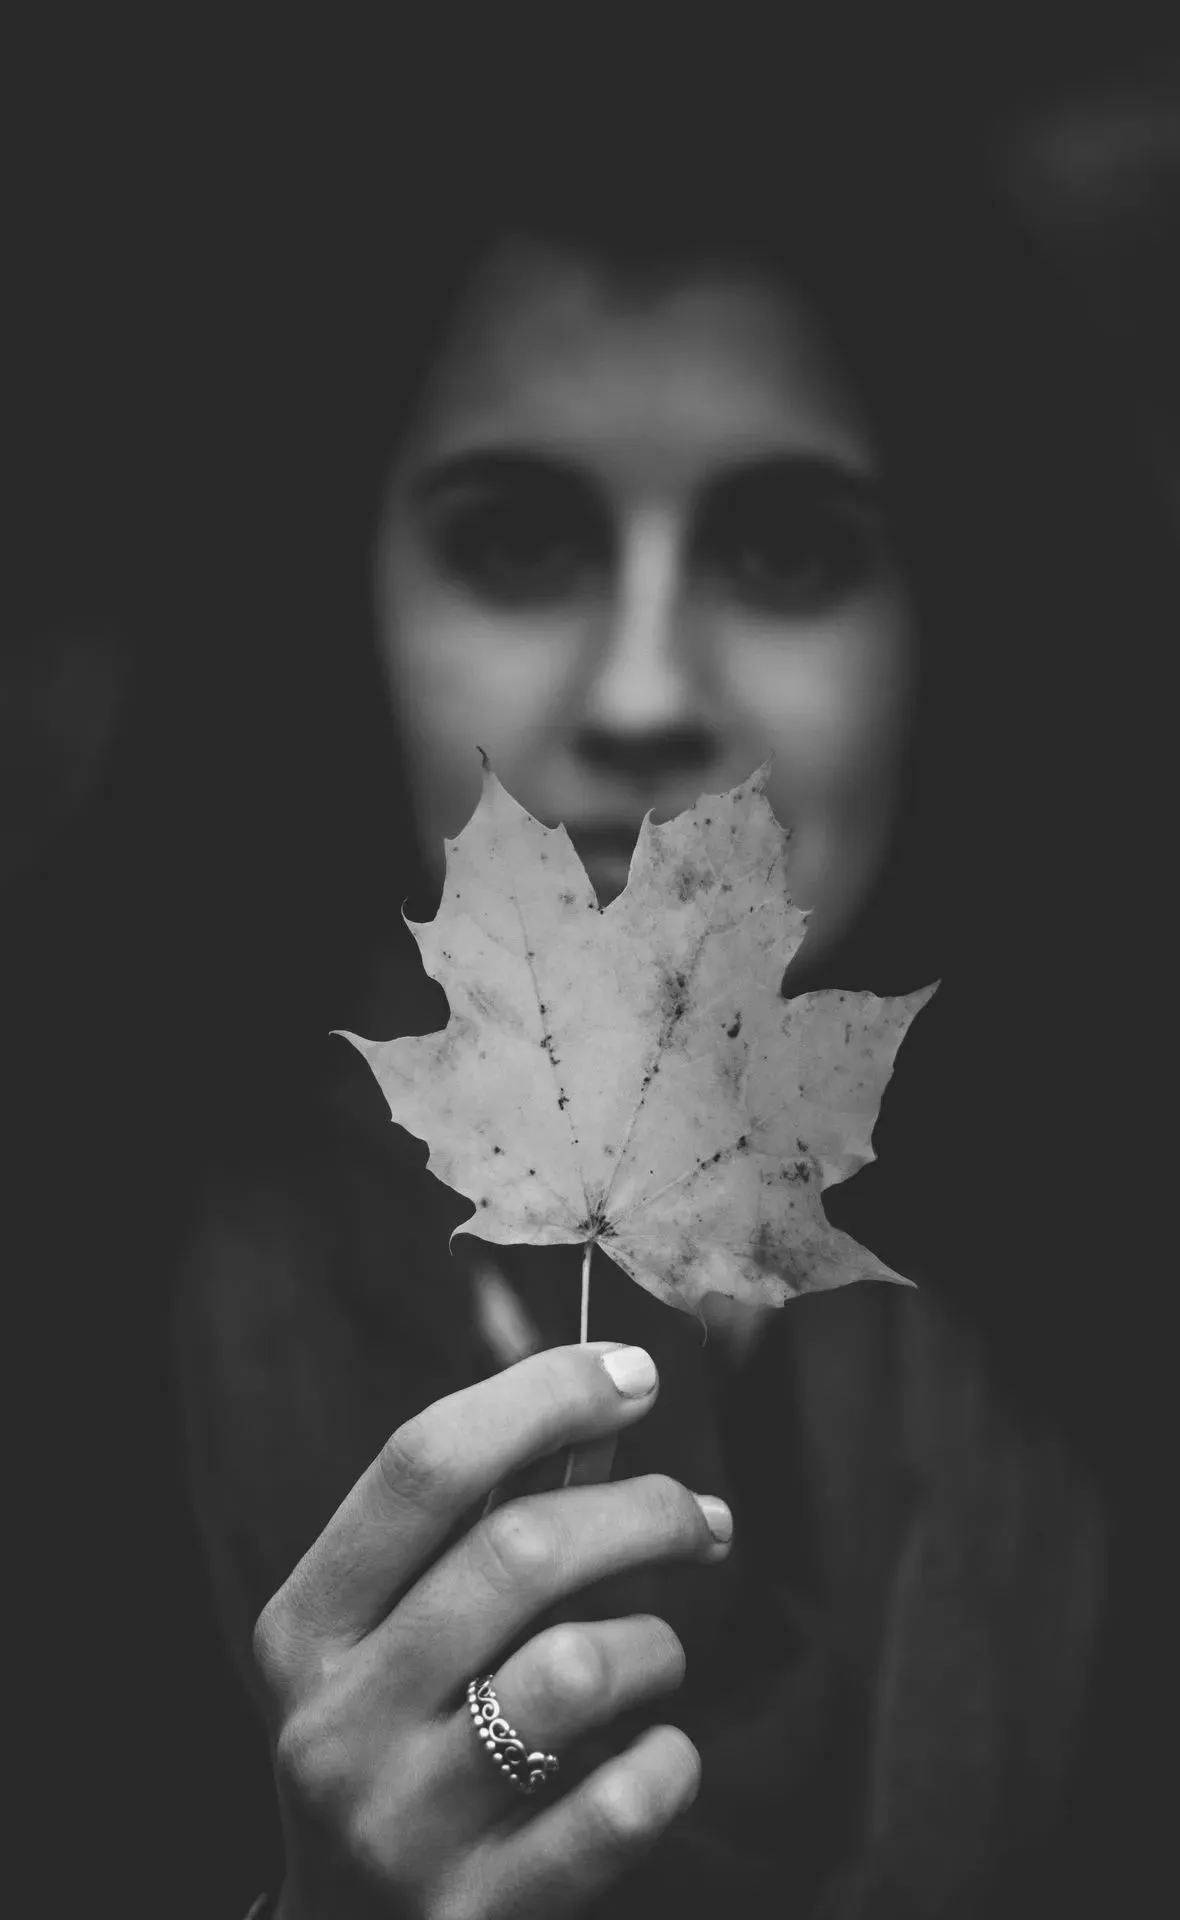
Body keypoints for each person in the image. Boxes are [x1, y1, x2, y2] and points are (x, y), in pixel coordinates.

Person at [169, 52, 1166, 1920]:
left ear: (960, 609)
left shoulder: (1128, 1304)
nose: (642, 691)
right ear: (340, 586)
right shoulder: (68, 1294)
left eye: (786, 550)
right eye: (521, 538)